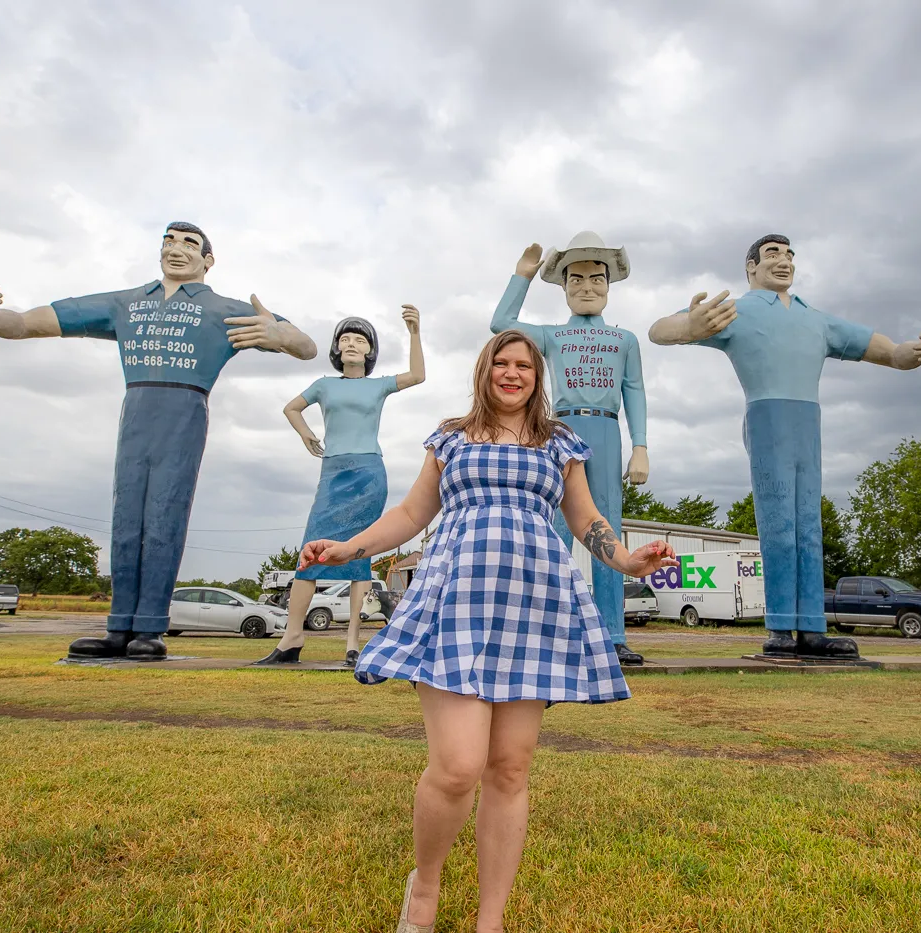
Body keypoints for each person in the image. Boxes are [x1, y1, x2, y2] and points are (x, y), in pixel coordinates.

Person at [297, 330, 677, 933]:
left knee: (509, 767)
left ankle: (490, 920)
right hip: (456, 604)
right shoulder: (451, 436)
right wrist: (348, 547)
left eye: (523, 364)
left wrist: (629, 561)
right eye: (500, 362)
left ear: (537, 375)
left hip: (535, 607)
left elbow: (586, 519)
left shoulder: (559, 443)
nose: (512, 373)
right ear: (484, 370)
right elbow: (412, 514)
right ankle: (424, 888)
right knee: (457, 766)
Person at [0, 222, 316, 660]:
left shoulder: (224, 309)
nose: (176, 249)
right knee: (126, 518)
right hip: (136, 410)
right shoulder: (125, 303)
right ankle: (118, 627)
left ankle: (150, 626)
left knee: (165, 515)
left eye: (189, 243)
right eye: (168, 240)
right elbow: (29, 322)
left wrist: (283, 338)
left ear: (208, 260)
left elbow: (306, 345)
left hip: (185, 409)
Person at [649, 233, 921, 659]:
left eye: (789, 254)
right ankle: (781, 628)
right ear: (751, 267)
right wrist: (691, 327)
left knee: (809, 525)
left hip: (809, 420)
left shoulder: (816, 319)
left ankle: (812, 628)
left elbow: (886, 351)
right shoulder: (737, 310)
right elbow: (660, 330)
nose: (783, 260)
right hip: (768, 415)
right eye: (772, 254)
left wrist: (909, 352)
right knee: (778, 526)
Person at [490, 232, 651, 665]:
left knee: (607, 529)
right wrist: (522, 276)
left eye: (596, 279)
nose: (586, 288)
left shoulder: (625, 340)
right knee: (552, 532)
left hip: (605, 430)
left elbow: (633, 390)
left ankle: (614, 634)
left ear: (610, 286)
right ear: (562, 289)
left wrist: (640, 446)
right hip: (559, 432)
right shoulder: (552, 336)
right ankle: (550, 629)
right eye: (575, 280)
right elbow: (500, 324)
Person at [255, 305, 426, 667]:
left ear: (369, 351)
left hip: (368, 473)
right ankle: (292, 637)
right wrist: (306, 435)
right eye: (344, 338)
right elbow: (291, 408)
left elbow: (417, 375)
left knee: (358, 553)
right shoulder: (323, 385)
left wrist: (413, 332)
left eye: (359, 339)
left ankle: (353, 644)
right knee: (310, 551)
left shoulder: (379, 386)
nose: (351, 343)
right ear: (336, 348)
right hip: (333, 473)